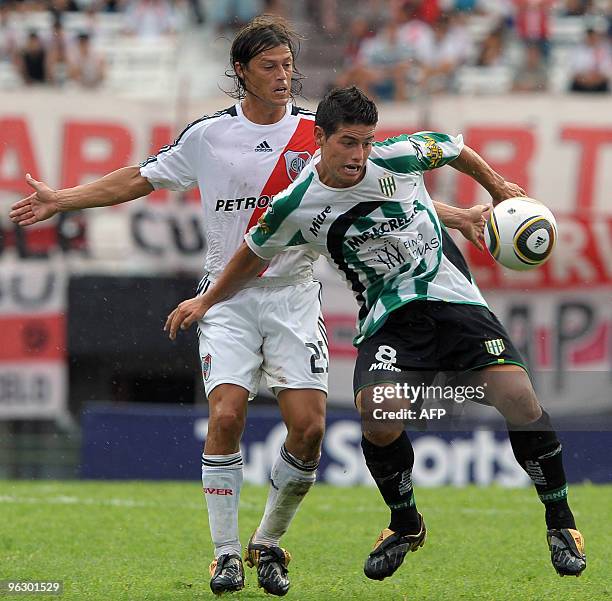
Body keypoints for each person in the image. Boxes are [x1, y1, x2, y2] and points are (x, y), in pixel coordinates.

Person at [8, 18, 485, 596]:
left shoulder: (317, 131)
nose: (284, 76)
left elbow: (385, 184)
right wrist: (64, 199)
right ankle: (226, 555)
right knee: (227, 416)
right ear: (242, 71)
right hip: (227, 298)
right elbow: (139, 178)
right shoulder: (208, 136)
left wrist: (458, 217)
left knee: (308, 429)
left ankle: (269, 541)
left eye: (288, 65)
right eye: (270, 67)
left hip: (293, 295)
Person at [165, 86, 587, 582]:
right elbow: (250, 256)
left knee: (517, 397)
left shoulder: (399, 156)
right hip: (390, 319)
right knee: (380, 416)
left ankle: (561, 523)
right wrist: (206, 299)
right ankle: (405, 524)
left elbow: (454, 149)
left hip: (454, 302)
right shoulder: (294, 205)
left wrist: (495, 189)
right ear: (320, 138)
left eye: (366, 142)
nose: (360, 155)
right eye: (348, 143)